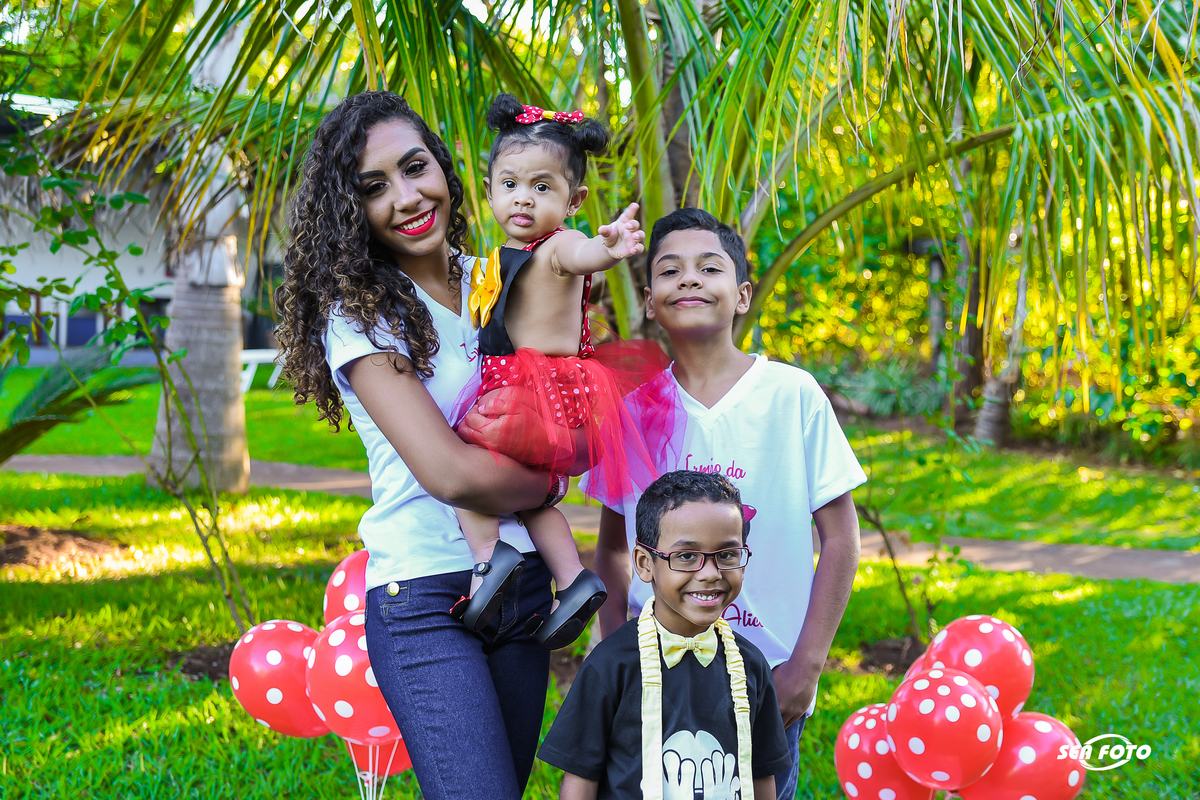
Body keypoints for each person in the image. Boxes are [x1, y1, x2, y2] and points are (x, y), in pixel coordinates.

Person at [273, 90, 577, 800]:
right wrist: (547, 483)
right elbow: (449, 473)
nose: (406, 197)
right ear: (351, 211)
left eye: (415, 168)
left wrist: (560, 451)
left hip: (525, 587)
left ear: (443, 166)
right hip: (424, 597)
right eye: (373, 187)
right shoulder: (360, 316)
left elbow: (565, 404)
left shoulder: (498, 279)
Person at [589, 208, 866, 800]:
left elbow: (842, 538)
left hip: (769, 681)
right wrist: (616, 654)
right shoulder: (633, 412)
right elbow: (612, 551)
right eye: (670, 270)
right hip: (657, 679)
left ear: (741, 295)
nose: (689, 278)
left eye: (708, 267)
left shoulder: (792, 396)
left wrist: (805, 668)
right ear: (649, 300)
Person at [450, 93, 669, 650]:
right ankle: (572, 579)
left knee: (461, 466)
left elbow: (581, 255)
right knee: (534, 498)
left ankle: (487, 559)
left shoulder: (558, 245)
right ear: (490, 191)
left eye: (543, 187)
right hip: (531, 385)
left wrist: (608, 247)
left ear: (575, 200)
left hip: (535, 386)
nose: (523, 197)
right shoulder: (499, 254)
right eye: (510, 184)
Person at [538, 470, 790, 800]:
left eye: (727, 555)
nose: (710, 573)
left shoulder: (751, 666)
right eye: (686, 556)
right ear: (645, 564)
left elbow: (761, 776)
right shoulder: (610, 665)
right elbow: (580, 781)